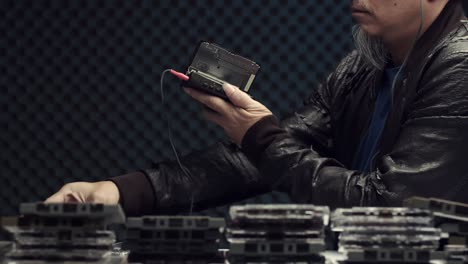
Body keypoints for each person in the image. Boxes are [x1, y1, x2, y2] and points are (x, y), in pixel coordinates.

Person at [46, 0, 468, 216]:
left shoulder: (459, 64)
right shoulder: (363, 64)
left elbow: (390, 207)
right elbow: (260, 158)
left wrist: (259, 135)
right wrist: (119, 191)